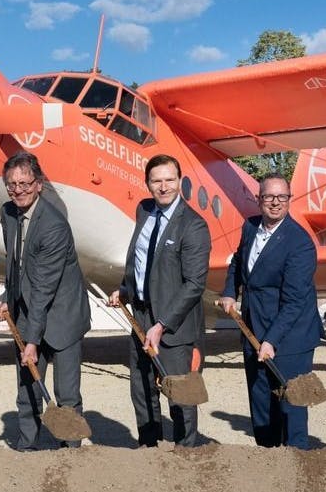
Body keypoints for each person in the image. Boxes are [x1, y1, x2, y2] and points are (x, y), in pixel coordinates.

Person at [217, 172, 324, 449]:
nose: (275, 202)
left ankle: (297, 463)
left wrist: (271, 340)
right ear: (258, 199)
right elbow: (238, 262)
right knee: (261, 398)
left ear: (289, 199)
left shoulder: (299, 243)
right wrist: (230, 291)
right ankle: (267, 459)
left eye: (282, 197)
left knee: (291, 403)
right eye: (268, 196)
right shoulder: (250, 226)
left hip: (292, 335)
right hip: (254, 327)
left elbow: (295, 302)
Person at [110, 154, 211, 448]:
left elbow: (194, 285)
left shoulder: (193, 225)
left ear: (180, 182)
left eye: (169, 179)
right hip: (141, 314)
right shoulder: (145, 211)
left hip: (174, 324)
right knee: (141, 388)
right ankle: (149, 449)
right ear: (147, 183)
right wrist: (126, 289)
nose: (163, 186)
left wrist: (162, 324)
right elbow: (142, 260)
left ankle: (186, 452)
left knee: (179, 392)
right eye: (157, 180)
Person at [0, 151, 90, 451]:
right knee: (27, 389)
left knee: (66, 394)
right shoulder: (8, 212)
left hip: (63, 315)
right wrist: (8, 300)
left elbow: (44, 288)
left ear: (39, 184)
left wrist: (32, 341)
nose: (18, 190)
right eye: (12, 184)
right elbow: (15, 264)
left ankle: (69, 449)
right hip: (26, 311)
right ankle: (27, 446)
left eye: (25, 183)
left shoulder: (53, 225)